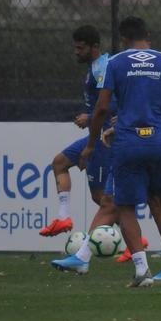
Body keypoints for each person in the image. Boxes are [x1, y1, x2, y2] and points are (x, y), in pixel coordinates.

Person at [51, 16, 161, 287]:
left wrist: (92, 145)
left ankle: (142, 270)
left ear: (123, 39)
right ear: (147, 35)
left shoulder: (115, 63)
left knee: (125, 206)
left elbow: (103, 108)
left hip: (128, 143)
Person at [39, 25, 117, 238]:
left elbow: (113, 105)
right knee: (59, 163)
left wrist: (89, 117)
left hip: (104, 138)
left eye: (80, 48)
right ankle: (63, 218)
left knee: (101, 196)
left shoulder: (102, 68)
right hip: (95, 134)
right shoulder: (95, 67)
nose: (76, 52)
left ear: (94, 47)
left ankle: (135, 240)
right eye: (75, 47)